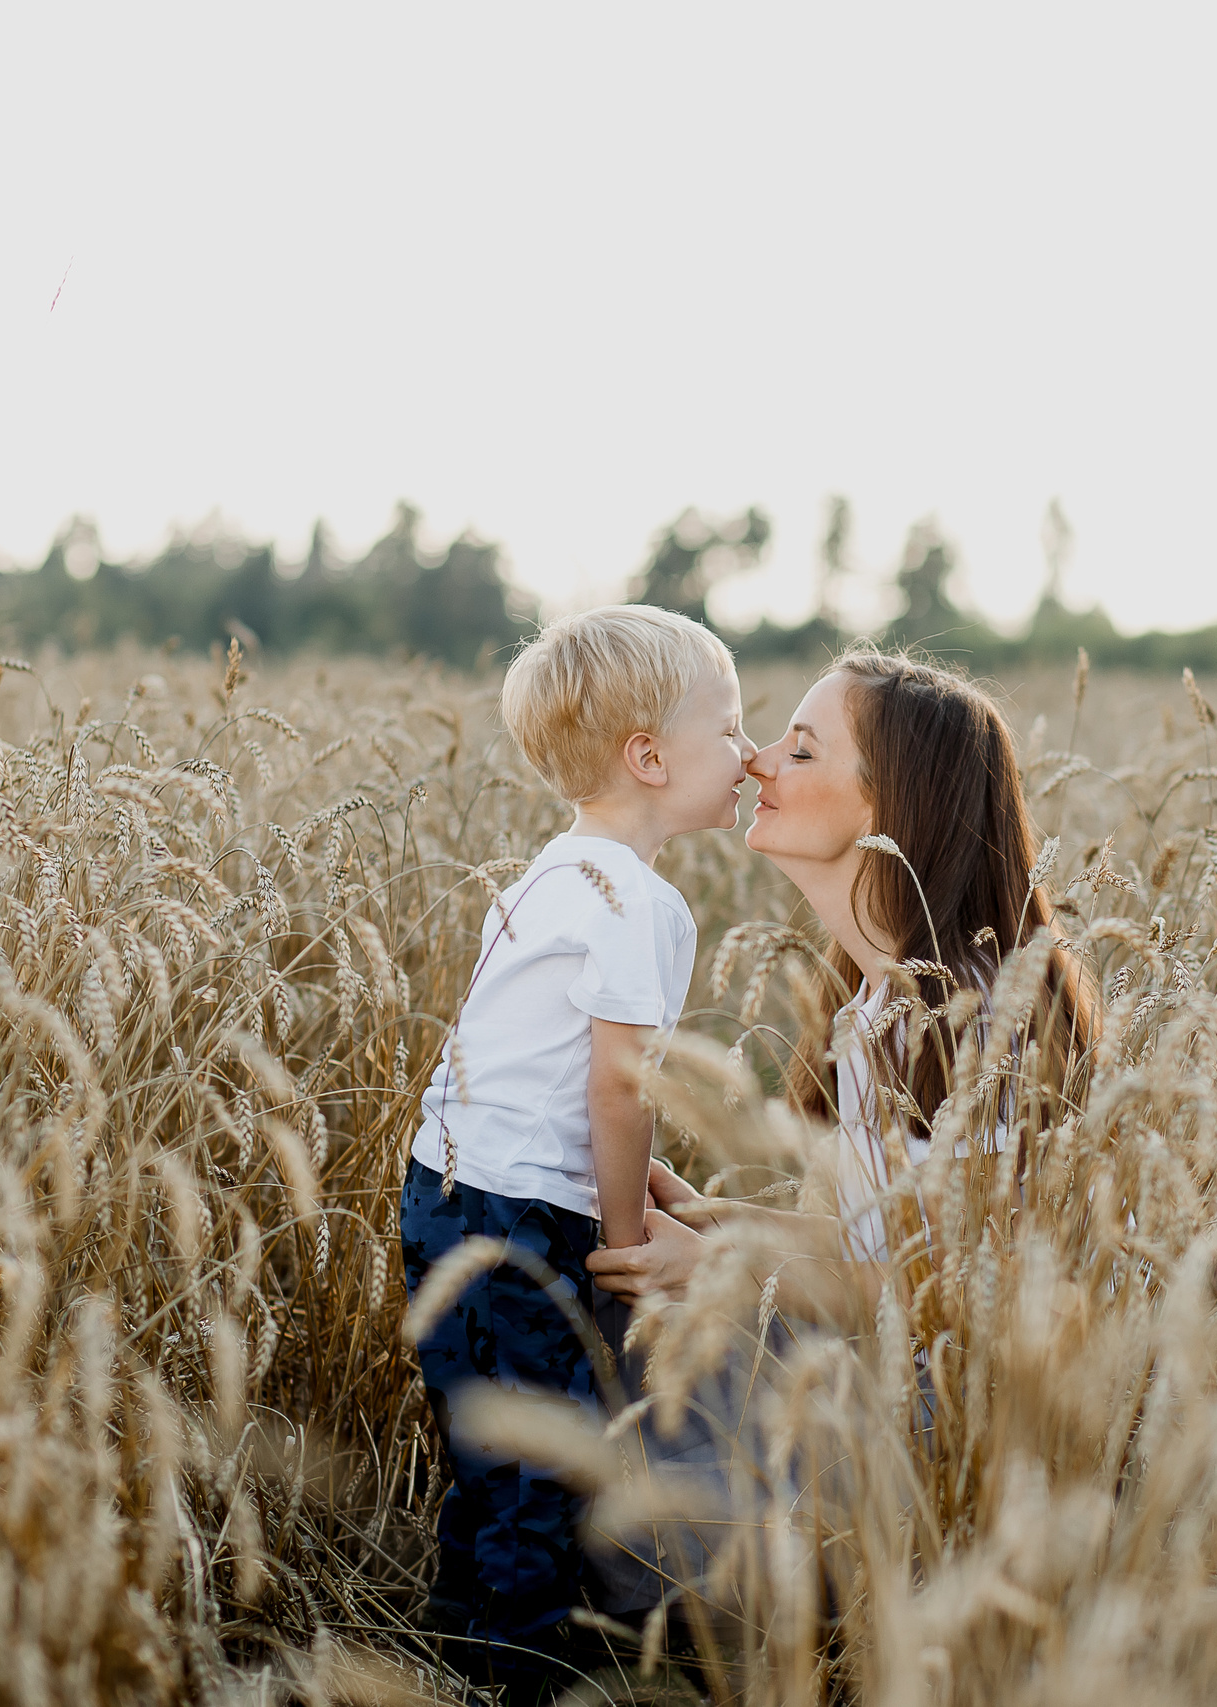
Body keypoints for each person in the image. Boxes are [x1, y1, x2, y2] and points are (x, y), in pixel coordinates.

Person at [399, 605, 753, 1690]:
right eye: (731, 730)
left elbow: (527, 1059)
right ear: (648, 756)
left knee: (488, 1447)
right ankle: (516, 1675)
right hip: (518, 1216)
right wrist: (627, 1234)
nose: (748, 754)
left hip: (446, 1189)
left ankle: (454, 1640)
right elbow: (616, 1082)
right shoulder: (634, 902)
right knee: (545, 1462)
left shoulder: (553, 873)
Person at [587, 647, 1096, 1330]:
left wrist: (722, 1266)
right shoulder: (876, 1003)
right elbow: (878, 1238)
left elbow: (960, 1294)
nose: (757, 759)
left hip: (945, 1423)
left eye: (800, 752)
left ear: (888, 803)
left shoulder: (977, 1022)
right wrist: (719, 1224)